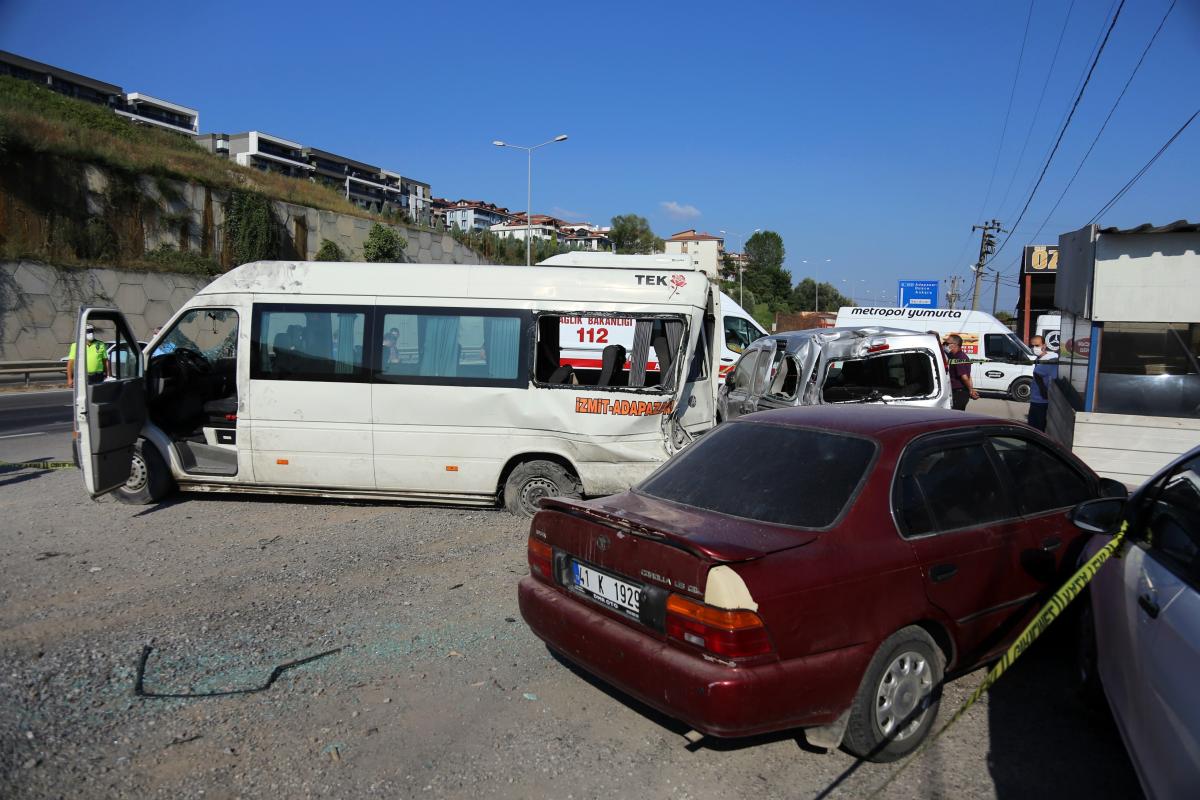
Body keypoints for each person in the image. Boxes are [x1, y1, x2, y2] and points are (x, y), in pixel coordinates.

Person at [1027, 334, 1057, 431]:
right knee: (1032, 428)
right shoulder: (1039, 359)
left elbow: (1039, 375)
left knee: (1037, 429)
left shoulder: (1051, 359)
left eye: (1037, 345)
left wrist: (1044, 394)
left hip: (1041, 402)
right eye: (1032, 346)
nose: (1034, 348)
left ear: (1044, 346)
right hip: (1035, 399)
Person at [945, 334, 979, 411]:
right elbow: (969, 376)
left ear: (955, 345)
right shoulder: (954, 355)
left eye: (947, 344)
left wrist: (971, 390)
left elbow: (964, 377)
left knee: (954, 417)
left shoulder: (959, 358)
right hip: (957, 392)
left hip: (959, 393)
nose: (945, 345)